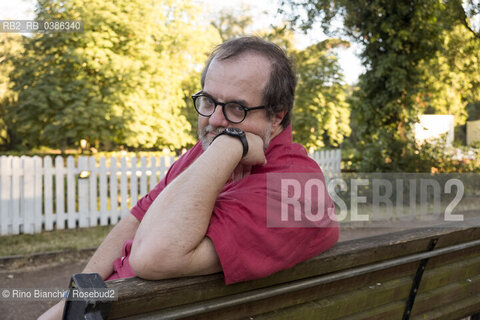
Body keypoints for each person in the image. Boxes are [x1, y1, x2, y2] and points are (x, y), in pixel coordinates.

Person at [39, 36, 338, 319]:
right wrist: (67, 304)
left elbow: (153, 256)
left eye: (237, 108)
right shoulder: (204, 153)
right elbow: (136, 219)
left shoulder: (294, 191)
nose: (215, 121)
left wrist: (230, 143)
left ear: (276, 116)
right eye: (208, 102)